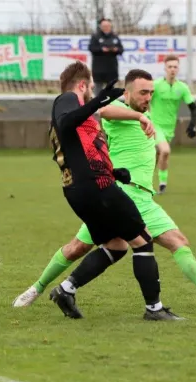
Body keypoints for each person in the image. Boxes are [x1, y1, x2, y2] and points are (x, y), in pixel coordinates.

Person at [13, 68, 196, 312]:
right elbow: (102, 110)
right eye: (143, 93)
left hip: (142, 196)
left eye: (151, 93)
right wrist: (138, 117)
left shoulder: (147, 113)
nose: (148, 97)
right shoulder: (120, 111)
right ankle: (37, 289)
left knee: (170, 242)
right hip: (121, 194)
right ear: (127, 94)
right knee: (81, 248)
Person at [45, 61, 181, 321]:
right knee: (143, 239)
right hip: (95, 190)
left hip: (82, 188)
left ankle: (66, 289)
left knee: (116, 245)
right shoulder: (67, 100)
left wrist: (113, 172)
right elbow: (65, 123)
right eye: (91, 88)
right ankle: (154, 309)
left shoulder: (75, 109)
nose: (92, 92)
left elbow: (79, 151)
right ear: (82, 85)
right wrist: (97, 102)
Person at [151, 55, 196, 194]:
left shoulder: (182, 87)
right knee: (165, 151)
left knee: (159, 156)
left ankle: (156, 182)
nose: (172, 69)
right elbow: (144, 100)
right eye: (170, 66)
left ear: (178, 69)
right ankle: (162, 185)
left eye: (175, 67)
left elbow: (193, 107)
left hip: (169, 128)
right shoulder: (156, 85)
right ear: (165, 68)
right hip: (155, 125)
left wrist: (192, 125)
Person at [88, 18, 124, 97]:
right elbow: (91, 48)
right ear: (100, 26)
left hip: (111, 68)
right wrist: (101, 49)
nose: (106, 27)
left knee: (111, 90)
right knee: (98, 89)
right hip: (99, 68)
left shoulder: (115, 36)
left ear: (110, 26)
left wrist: (116, 49)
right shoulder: (95, 36)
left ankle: (111, 106)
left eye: (108, 26)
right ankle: (97, 106)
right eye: (104, 26)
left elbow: (121, 49)